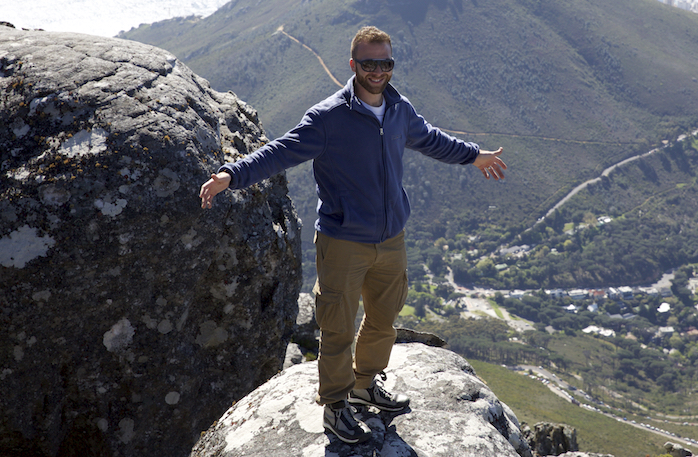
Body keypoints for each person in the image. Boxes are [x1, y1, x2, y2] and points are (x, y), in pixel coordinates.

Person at [199, 25, 506, 444]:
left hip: (390, 239)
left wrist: (474, 155)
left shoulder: (399, 110)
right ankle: (336, 407)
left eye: (385, 63)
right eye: (369, 63)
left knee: (383, 321)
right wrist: (230, 174)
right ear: (353, 65)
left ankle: (364, 387)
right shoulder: (328, 118)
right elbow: (280, 151)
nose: (378, 71)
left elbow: (431, 139)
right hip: (343, 240)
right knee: (338, 327)